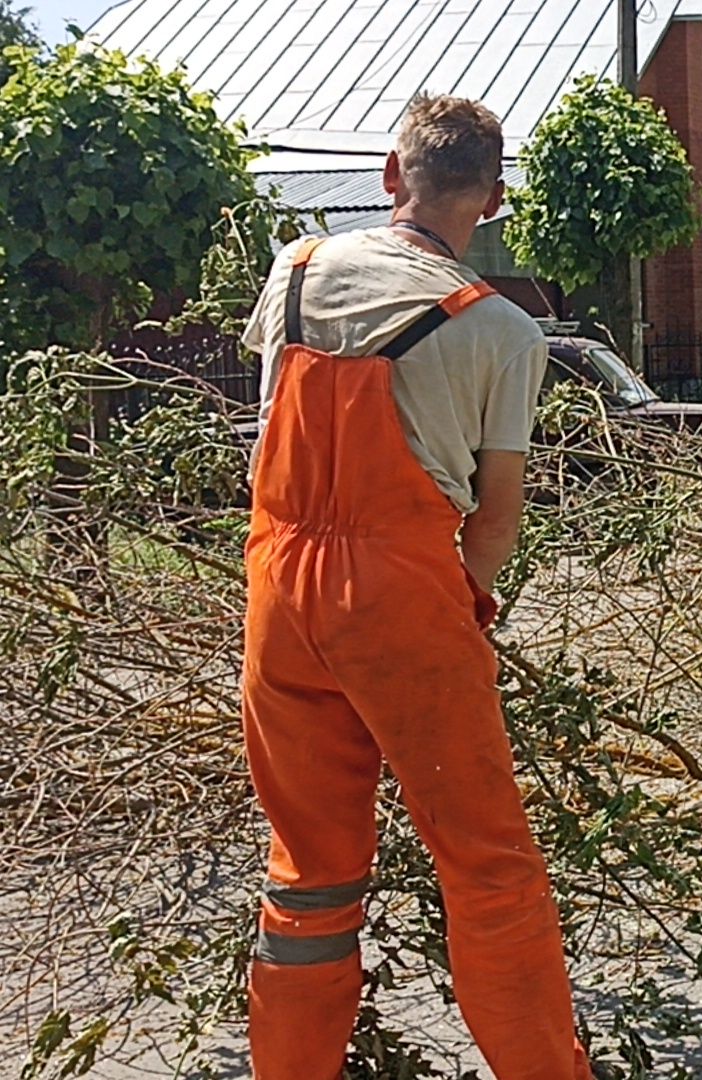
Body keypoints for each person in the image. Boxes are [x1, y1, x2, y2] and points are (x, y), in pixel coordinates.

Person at [237, 95, 593, 1080]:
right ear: (494, 198)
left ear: (393, 176)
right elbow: (496, 520)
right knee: (487, 866)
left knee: (308, 875)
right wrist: (454, 607)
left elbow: (266, 432)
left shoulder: (296, 269)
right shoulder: (502, 330)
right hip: (400, 591)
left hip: (278, 585)